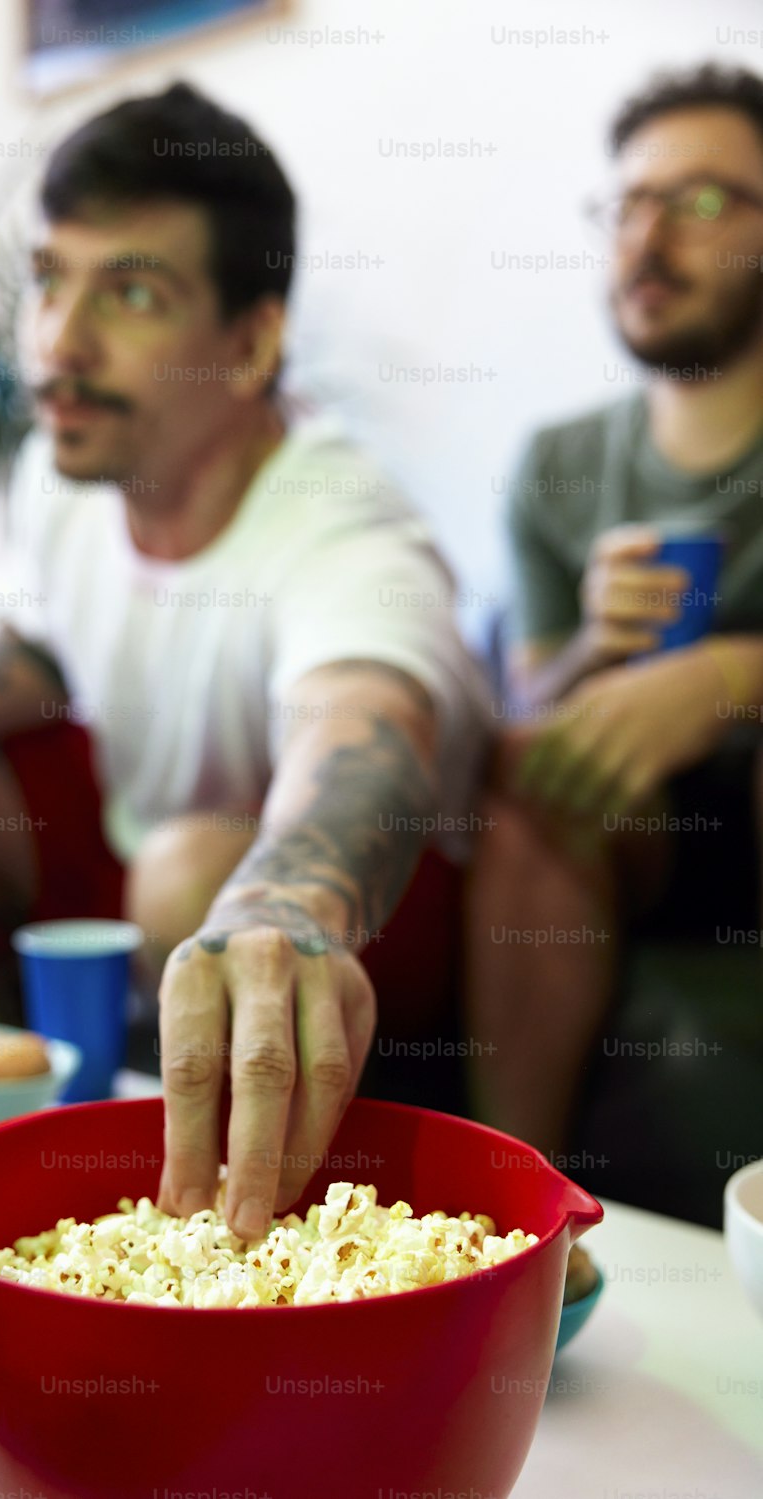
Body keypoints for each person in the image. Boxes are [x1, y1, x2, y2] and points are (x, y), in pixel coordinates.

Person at [0, 84, 487, 1241]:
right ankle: (14, 1105)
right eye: (49, 279)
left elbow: (368, 729)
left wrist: (280, 898)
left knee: (192, 880)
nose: (59, 343)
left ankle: (228, 1221)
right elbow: (51, 637)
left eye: (130, 292)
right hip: (145, 875)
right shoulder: (73, 465)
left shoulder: (345, 523)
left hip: (371, 938)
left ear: (251, 343)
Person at [466, 64, 763, 1161]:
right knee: (528, 782)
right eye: (626, 205)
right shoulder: (559, 465)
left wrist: (725, 676)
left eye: (697, 202)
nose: (647, 238)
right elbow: (528, 705)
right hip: (632, 842)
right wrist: (598, 642)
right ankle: (516, 1220)